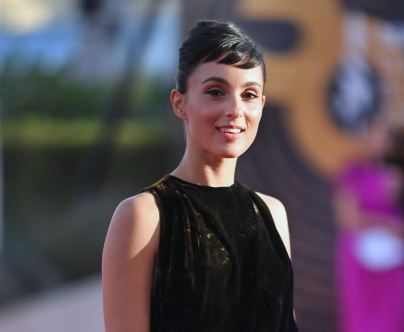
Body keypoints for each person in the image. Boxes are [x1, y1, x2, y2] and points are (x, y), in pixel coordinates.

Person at [101, 20, 298, 332]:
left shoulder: (272, 213)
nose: (236, 109)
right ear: (180, 103)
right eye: (216, 92)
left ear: (261, 105)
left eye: (249, 94)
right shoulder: (143, 217)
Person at [331, 120, 404, 332]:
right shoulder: (350, 171)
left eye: (385, 136)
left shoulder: (398, 175)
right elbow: (349, 219)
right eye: (375, 135)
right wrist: (386, 223)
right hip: (359, 261)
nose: (379, 142)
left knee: (393, 320)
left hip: (393, 262)